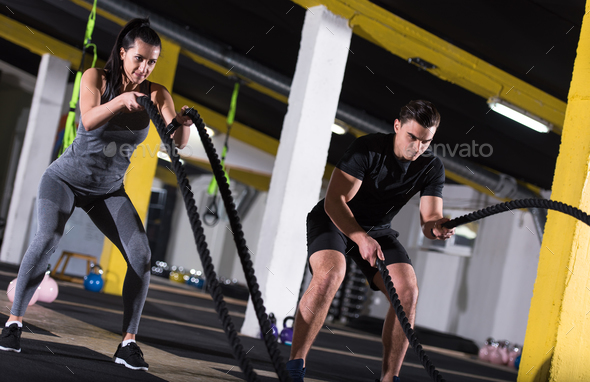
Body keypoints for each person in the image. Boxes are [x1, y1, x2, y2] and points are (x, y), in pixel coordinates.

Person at [0, 18, 193, 371]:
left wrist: (184, 124)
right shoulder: (95, 78)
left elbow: (174, 142)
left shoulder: (156, 93)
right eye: (138, 59)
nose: (144, 68)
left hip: (107, 191)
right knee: (47, 239)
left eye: (151, 62)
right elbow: (87, 120)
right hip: (64, 180)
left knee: (141, 255)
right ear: (122, 54)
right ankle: (14, 322)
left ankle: (128, 343)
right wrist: (121, 102)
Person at [286, 100, 455, 382]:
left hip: (378, 230)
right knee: (330, 274)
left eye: (426, 141)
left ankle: (390, 378)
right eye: (411, 137)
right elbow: (335, 200)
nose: (417, 147)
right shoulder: (368, 148)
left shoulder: (431, 167)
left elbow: (430, 218)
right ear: (397, 126)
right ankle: (294, 366)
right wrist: (359, 237)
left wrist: (437, 228)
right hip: (334, 219)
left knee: (408, 293)